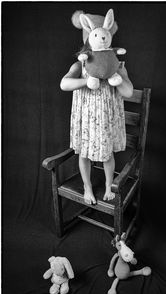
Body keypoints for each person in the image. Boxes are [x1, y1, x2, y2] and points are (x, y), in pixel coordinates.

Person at [60, 11, 133, 205]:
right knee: (84, 154)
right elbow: (64, 84)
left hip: (107, 119)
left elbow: (128, 91)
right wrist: (85, 81)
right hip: (86, 119)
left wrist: (116, 78)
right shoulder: (80, 64)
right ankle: (87, 187)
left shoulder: (117, 65)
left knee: (107, 155)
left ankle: (109, 186)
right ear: (89, 40)